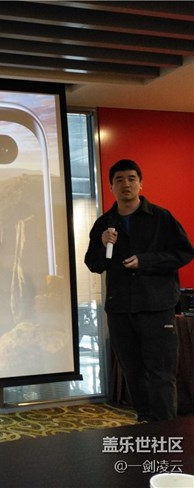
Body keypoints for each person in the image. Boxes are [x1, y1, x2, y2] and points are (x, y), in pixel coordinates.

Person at [84, 159, 194, 422]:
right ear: (111, 187)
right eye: (119, 179)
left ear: (140, 183)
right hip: (120, 309)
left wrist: (146, 261)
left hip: (156, 307)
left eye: (131, 178)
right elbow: (94, 264)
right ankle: (144, 423)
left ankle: (164, 431)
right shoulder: (104, 223)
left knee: (161, 373)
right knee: (133, 372)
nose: (126, 184)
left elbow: (184, 252)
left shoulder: (161, 217)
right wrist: (102, 245)